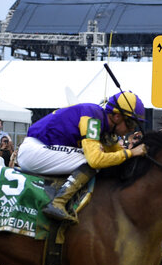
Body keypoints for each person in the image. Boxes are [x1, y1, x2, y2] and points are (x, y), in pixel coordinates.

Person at [16, 91, 147, 223]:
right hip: (34, 150)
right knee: (91, 160)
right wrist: (131, 152)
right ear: (117, 117)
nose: (131, 129)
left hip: (42, 151)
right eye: (130, 124)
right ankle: (58, 203)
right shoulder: (93, 116)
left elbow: (118, 155)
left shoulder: (105, 127)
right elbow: (95, 160)